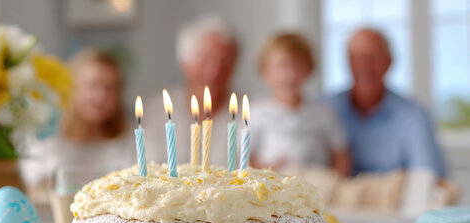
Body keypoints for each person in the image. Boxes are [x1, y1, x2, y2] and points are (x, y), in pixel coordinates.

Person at [324, 28, 447, 178]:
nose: (365, 66)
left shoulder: (414, 116)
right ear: (348, 62)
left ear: (389, 62)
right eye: (357, 58)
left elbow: (428, 177)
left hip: (396, 200)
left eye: (372, 57)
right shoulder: (324, 109)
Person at [20, 48, 134, 187]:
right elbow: (34, 187)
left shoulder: (127, 137)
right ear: (73, 86)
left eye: (111, 87)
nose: (101, 95)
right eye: (93, 84)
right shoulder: (47, 134)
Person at [142, 15, 239, 166]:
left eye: (225, 62)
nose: (213, 71)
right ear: (185, 62)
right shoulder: (153, 111)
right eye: (205, 59)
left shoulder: (253, 112)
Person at [250, 33, 351, 176]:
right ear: (265, 71)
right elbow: (246, 158)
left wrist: (337, 181)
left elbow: (341, 154)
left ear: (309, 69)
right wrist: (265, 170)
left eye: (297, 66)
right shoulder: (256, 113)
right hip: (273, 186)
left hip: (317, 185)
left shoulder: (324, 113)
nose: (290, 75)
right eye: (282, 66)